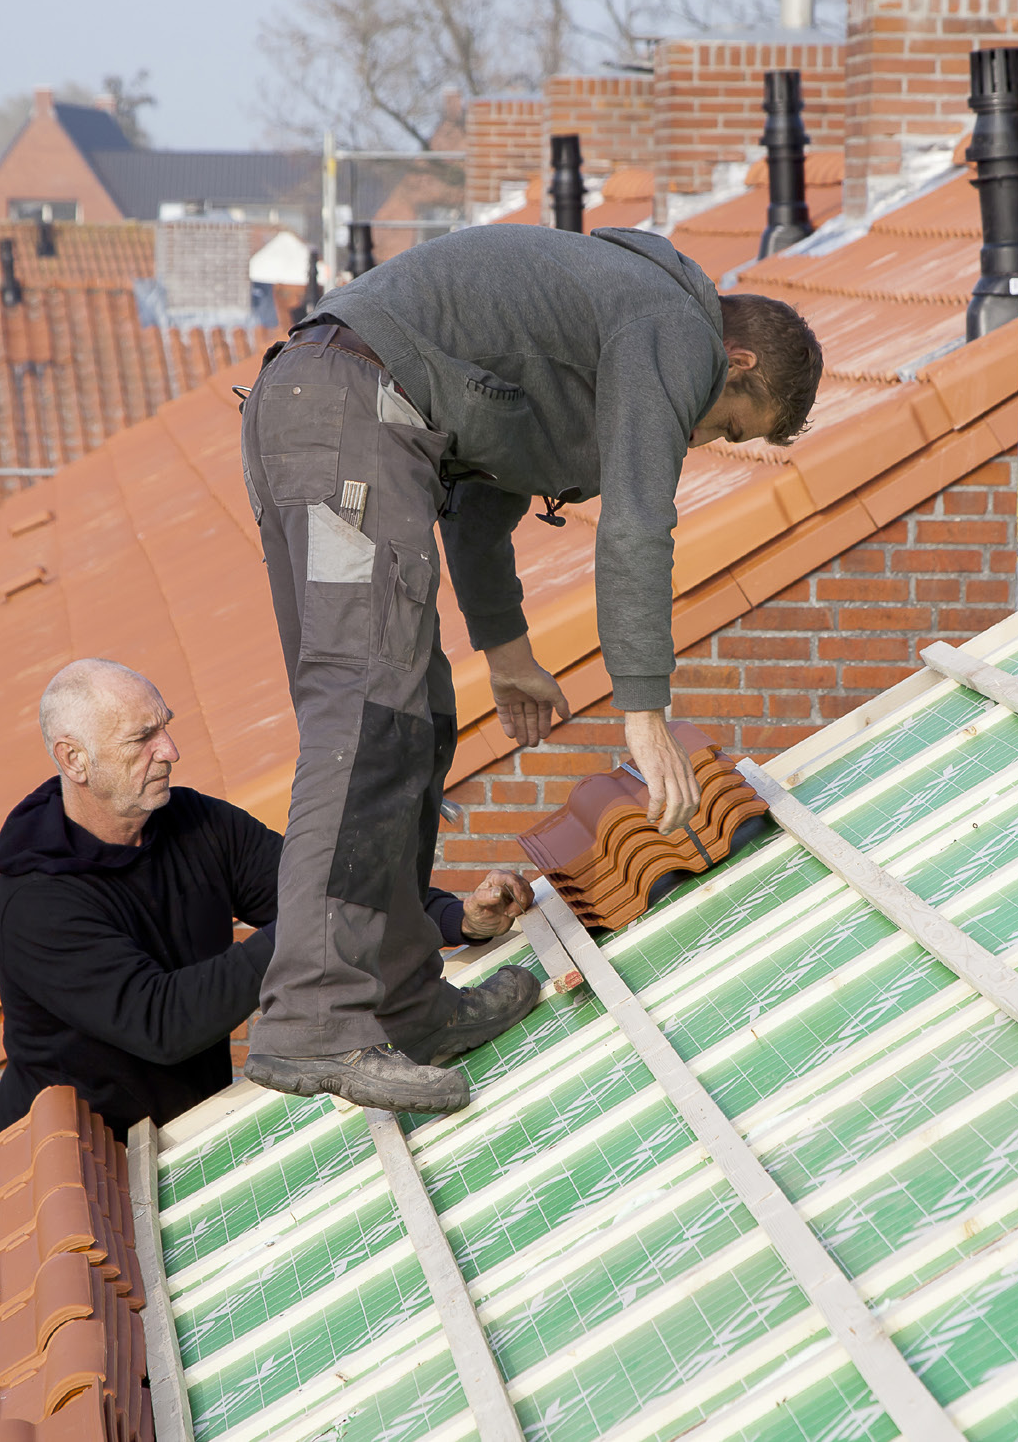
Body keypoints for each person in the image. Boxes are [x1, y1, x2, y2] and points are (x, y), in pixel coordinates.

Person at [239, 224, 824, 1114]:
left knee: (414, 718)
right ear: (734, 360)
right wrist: (644, 712)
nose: (701, 439)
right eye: (727, 426)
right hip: (349, 415)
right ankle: (313, 1021)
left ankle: (408, 1004)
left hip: (336, 411)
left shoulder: (580, 343)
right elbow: (637, 521)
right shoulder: (674, 329)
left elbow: (477, 498)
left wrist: (505, 651)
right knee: (367, 719)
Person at [0, 657, 533, 1135]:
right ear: (74, 759)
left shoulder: (193, 821)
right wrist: (308, 926)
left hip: (191, 1126)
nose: (170, 751)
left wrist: (454, 919)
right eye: (141, 738)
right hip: (88, 1169)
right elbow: (163, 1024)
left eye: (166, 728)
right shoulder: (36, 905)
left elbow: (328, 890)